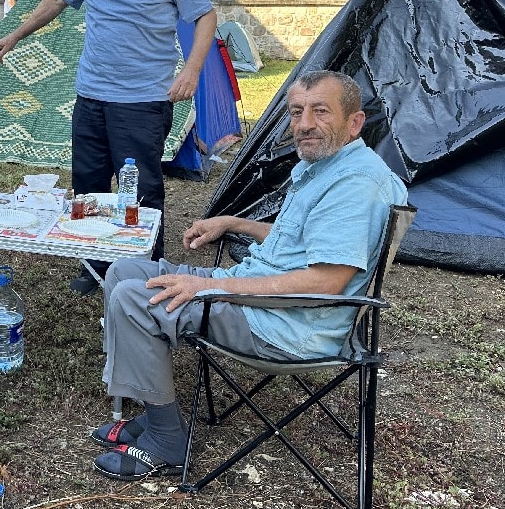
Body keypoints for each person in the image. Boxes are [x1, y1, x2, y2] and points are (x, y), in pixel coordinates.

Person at [90, 71, 408, 481]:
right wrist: (233, 223)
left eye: (320, 111)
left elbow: (325, 282)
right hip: (265, 299)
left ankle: (166, 440)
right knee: (124, 271)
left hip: (288, 326)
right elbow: (300, 240)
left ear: (354, 122)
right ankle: (155, 416)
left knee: (134, 299)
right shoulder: (329, 167)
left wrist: (212, 286)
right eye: (296, 112)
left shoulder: (356, 185)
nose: (305, 124)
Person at [0, 0, 217, 294]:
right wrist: (15, 34)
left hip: (142, 101)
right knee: (89, 184)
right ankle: (94, 265)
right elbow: (57, 0)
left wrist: (192, 70)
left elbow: (204, 15)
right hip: (91, 96)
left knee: (140, 191)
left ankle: (144, 270)